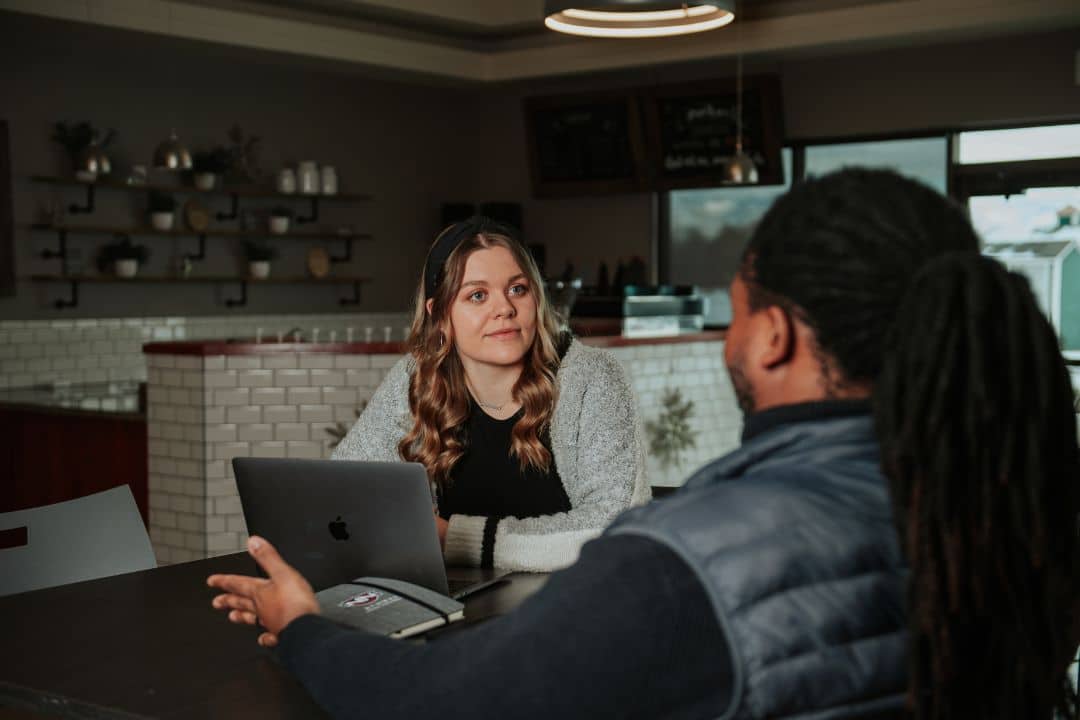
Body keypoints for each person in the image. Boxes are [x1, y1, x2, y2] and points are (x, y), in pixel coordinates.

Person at [208, 169, 1080, 720]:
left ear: (771, 335)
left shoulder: (681, 563)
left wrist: (305, 629)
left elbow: (438, 704)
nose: (504, 309)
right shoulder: (1007, 501)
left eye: (734, 310)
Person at [331, 216, 650, 571]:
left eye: (518, 289)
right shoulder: (417, 377)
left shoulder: (591, 378)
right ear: (439, 315)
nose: (505, 309)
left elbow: (612, 530)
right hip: (455, 607)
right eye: (477, 295)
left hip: (576, 607)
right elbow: (345, 494)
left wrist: (454, 539)